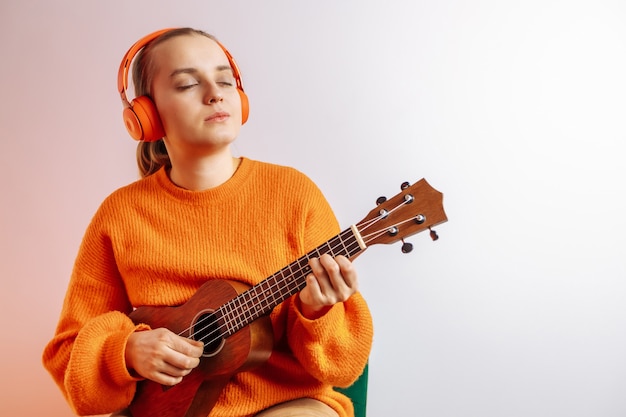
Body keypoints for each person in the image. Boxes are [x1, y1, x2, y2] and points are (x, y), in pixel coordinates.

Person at [42, 27, 373, 417]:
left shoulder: (294, 194)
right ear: (146, 116)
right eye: (186, 84)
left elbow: (345, 366)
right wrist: (126, 352)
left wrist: (316, 311)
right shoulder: (120, 215)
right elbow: (68, 355)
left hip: (285, 404)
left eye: (224, 80)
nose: (215, 93)